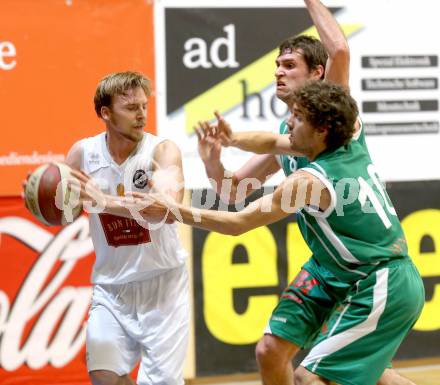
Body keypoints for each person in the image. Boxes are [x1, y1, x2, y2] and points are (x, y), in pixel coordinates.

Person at [196, 1, 419, 384]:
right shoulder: (292, 135)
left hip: (368, 267)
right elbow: (232, 192)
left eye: (289, 66)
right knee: (272, 351)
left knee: (316, 375)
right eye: (276, 67)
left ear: (317, 74)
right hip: (330, 267)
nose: (278, 74)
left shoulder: (332, 119)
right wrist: (212, 160)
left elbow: (341, 51)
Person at [146, 81, 424, 385]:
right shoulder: (351, 138)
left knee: (309, 377)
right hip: (362, 275)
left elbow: (239, 223)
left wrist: (175, 210)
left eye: (299, 116)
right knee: (361, 371)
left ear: (322, 129)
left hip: (380, 282)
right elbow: (271, 143)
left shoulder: (308, 181)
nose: (288, 121)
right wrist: (233, 139)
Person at [47, 71, 188, 385]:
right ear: (105, 113)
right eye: (131, 108)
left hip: (162, 286)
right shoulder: (83, 153)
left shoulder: (162, 151)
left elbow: (168, 209)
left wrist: (104, 201)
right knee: (103, 376)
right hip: (111, 288)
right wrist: (43, 200)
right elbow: (65, 211)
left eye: (144, 106)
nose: (141, 115)